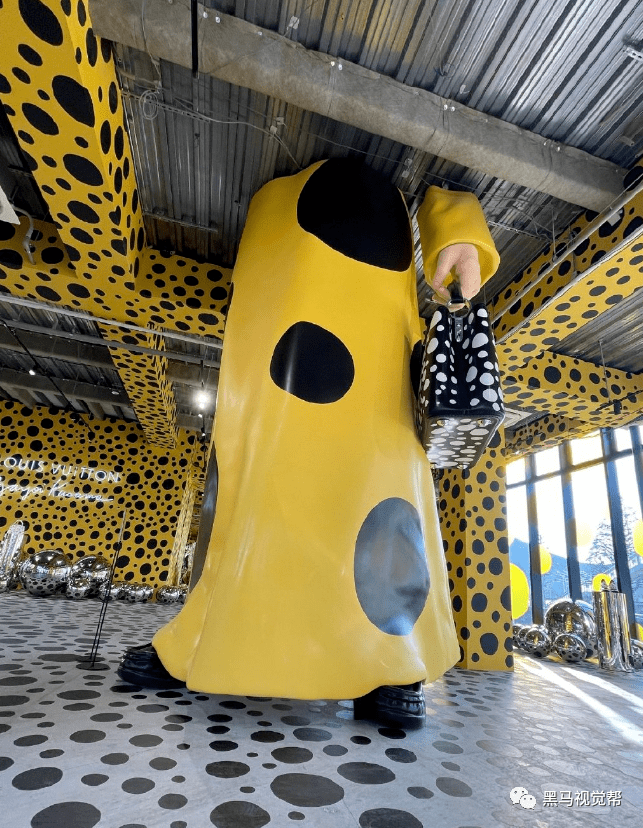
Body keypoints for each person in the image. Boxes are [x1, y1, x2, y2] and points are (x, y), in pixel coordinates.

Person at [118, 158, 499, 728]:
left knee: (376, 471)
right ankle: (211, 634)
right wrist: (456, 225)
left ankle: (390, 658)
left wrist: (458, 228)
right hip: (275, 248)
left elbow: (453, 149)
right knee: (261, 462)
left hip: (374, 258)